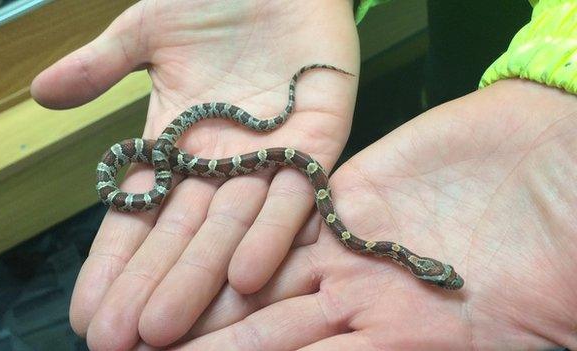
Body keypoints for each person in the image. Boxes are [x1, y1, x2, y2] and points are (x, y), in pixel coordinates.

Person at [31, 0, 577, 349]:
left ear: (425, 271)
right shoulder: (380, 244)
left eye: (443, 278)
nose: (446, 280)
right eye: (445, 275)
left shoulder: (380, 246)